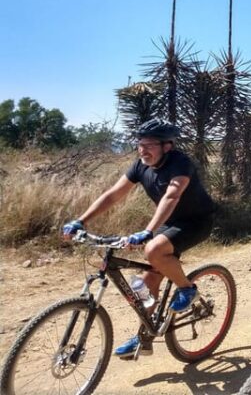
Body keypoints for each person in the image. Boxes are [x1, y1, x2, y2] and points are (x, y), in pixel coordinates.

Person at [62, 119, 215, 360]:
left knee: (153, 250)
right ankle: (144, 337)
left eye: (151, 144)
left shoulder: (180, 163)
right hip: (169, 222)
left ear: (167, 146)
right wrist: (81, 221)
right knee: (143, 286)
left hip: (197, 220)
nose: (143, 150)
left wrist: (149, 230)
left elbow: (171, 196)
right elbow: (113, 195)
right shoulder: (139, 166)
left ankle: (188, 289)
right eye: (140, 144)